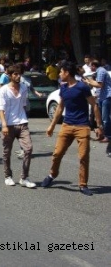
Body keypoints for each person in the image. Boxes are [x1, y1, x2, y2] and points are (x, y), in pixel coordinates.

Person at [41, 61, 103, 196]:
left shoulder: (82, 87)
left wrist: (99, 126)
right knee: (57, 153)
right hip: (67, 126)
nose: (60, 74)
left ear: (67, 73)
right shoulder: (63, 88)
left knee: (83, 157)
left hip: (82, 127)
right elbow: (60, 108)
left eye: (61, 72)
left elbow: (95, 105)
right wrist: (51, 126)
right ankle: (52, 175)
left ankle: (83, 185)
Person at [0, 65, 35, 188]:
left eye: (19, 74)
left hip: (22, 123)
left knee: (28, 149)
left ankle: (24, 178)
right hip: (8, 125)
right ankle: (8, 176)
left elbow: (23, 105)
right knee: (7, 152)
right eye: (15, 74)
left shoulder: (24, 88)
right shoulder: (3, 90)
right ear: (9, 75)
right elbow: (1, 109)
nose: (18, 76)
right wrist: (3, 125)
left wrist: (25, 120)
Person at [84, 59, 111, 143]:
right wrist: (88, 82)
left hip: (106, 97)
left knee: (105, 118)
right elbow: (94, 86)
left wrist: (89, 81)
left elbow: (99, 85)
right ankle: (101, 134)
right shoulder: (97, 72)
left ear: (93, 66)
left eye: (90, 65)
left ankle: (108, 136)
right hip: (101, 97)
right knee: (99, 118)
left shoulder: (101, 71)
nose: (89, 67)